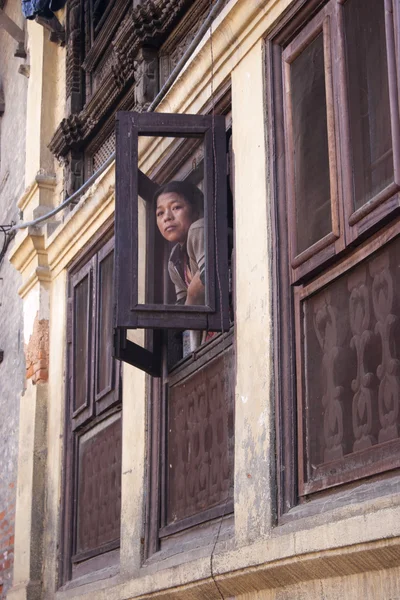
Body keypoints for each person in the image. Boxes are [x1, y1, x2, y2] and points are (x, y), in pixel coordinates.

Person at [154, 180, 206, 306]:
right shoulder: (174, 259)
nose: (167, 217)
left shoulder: (199, 229)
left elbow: (209, 279)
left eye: (176, 207)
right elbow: (183, 308)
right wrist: (192, 294)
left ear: (196, 211)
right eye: (160, 213)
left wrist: (193, 295)